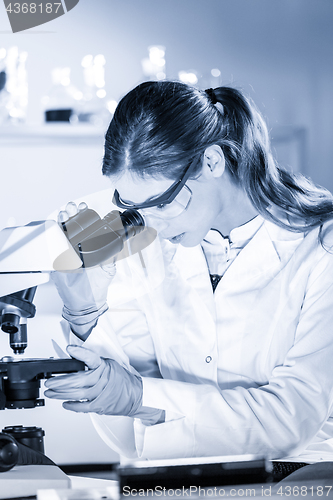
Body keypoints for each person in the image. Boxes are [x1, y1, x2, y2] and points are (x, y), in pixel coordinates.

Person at [45, 81, 333, 481]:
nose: (153, 223)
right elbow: (131, 437)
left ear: (211, 162)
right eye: (132, 206)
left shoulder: (322, 248)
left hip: (298, 478)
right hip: (173, 478)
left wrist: (140, 396)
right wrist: (87, 315)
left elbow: (289, 422)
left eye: (161, 202)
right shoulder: (146, 247)